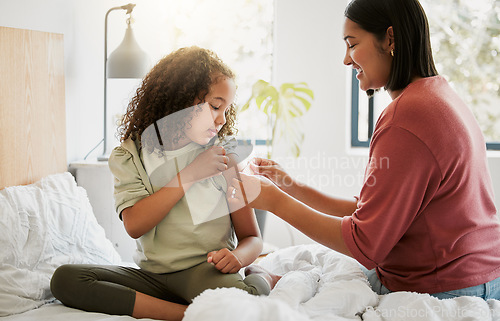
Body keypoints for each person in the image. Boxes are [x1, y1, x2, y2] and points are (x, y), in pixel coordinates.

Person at [228, 0, 500, 300]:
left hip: (449, 285)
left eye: (352, 44)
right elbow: (370, 214)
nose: (346, 60)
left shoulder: (407, 117)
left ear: (391, 39)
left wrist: (272, 200)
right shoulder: (437, 95)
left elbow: (365, 245)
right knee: (315, 272)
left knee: (315, 278)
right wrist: (289, 186)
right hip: (480, 275)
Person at [51, 46, 279, 321]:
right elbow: (135, 225)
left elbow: (252, 238)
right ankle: (189, 314)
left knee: (247, 305)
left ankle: (262, 277)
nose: (221, 119)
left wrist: (239, 259)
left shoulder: (224, 156)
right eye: (215, 106)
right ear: (180, 101)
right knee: (65, 279)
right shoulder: (130, 155)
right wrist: (191, 174)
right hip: (152, 278)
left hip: (203, 272)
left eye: (226, 109)